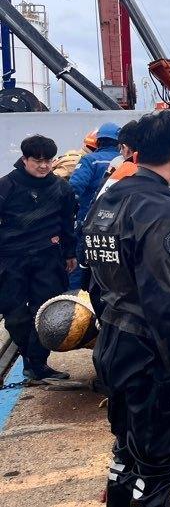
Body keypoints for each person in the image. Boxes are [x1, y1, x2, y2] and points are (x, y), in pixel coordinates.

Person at [84, 111, 170, 507]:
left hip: (114, 341)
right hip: (150, 353)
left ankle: (121, 493)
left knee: (127, 447)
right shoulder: (161, 207)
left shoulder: (110, 197)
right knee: (157, 467)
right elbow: (167, 298)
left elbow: (93, 276)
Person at [0, 135, 78, 383]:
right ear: (25, 159)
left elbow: (68, 223)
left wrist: (70, 253)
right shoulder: (6, 186)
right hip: (11, 258)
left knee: (44, 311)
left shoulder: (61, 188)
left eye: (48, 160)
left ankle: (37, 364)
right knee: (14, 314)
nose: (44, 166)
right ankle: (30, 358)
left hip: (48, 257)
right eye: (38, 160)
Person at [69, 122, 121, 289]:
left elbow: (74, 189)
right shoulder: (125, 163)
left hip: (89, 221)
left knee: (81, 264)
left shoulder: (90, 160)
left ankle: (76, 299)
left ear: (98, 141)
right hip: (117, 224)